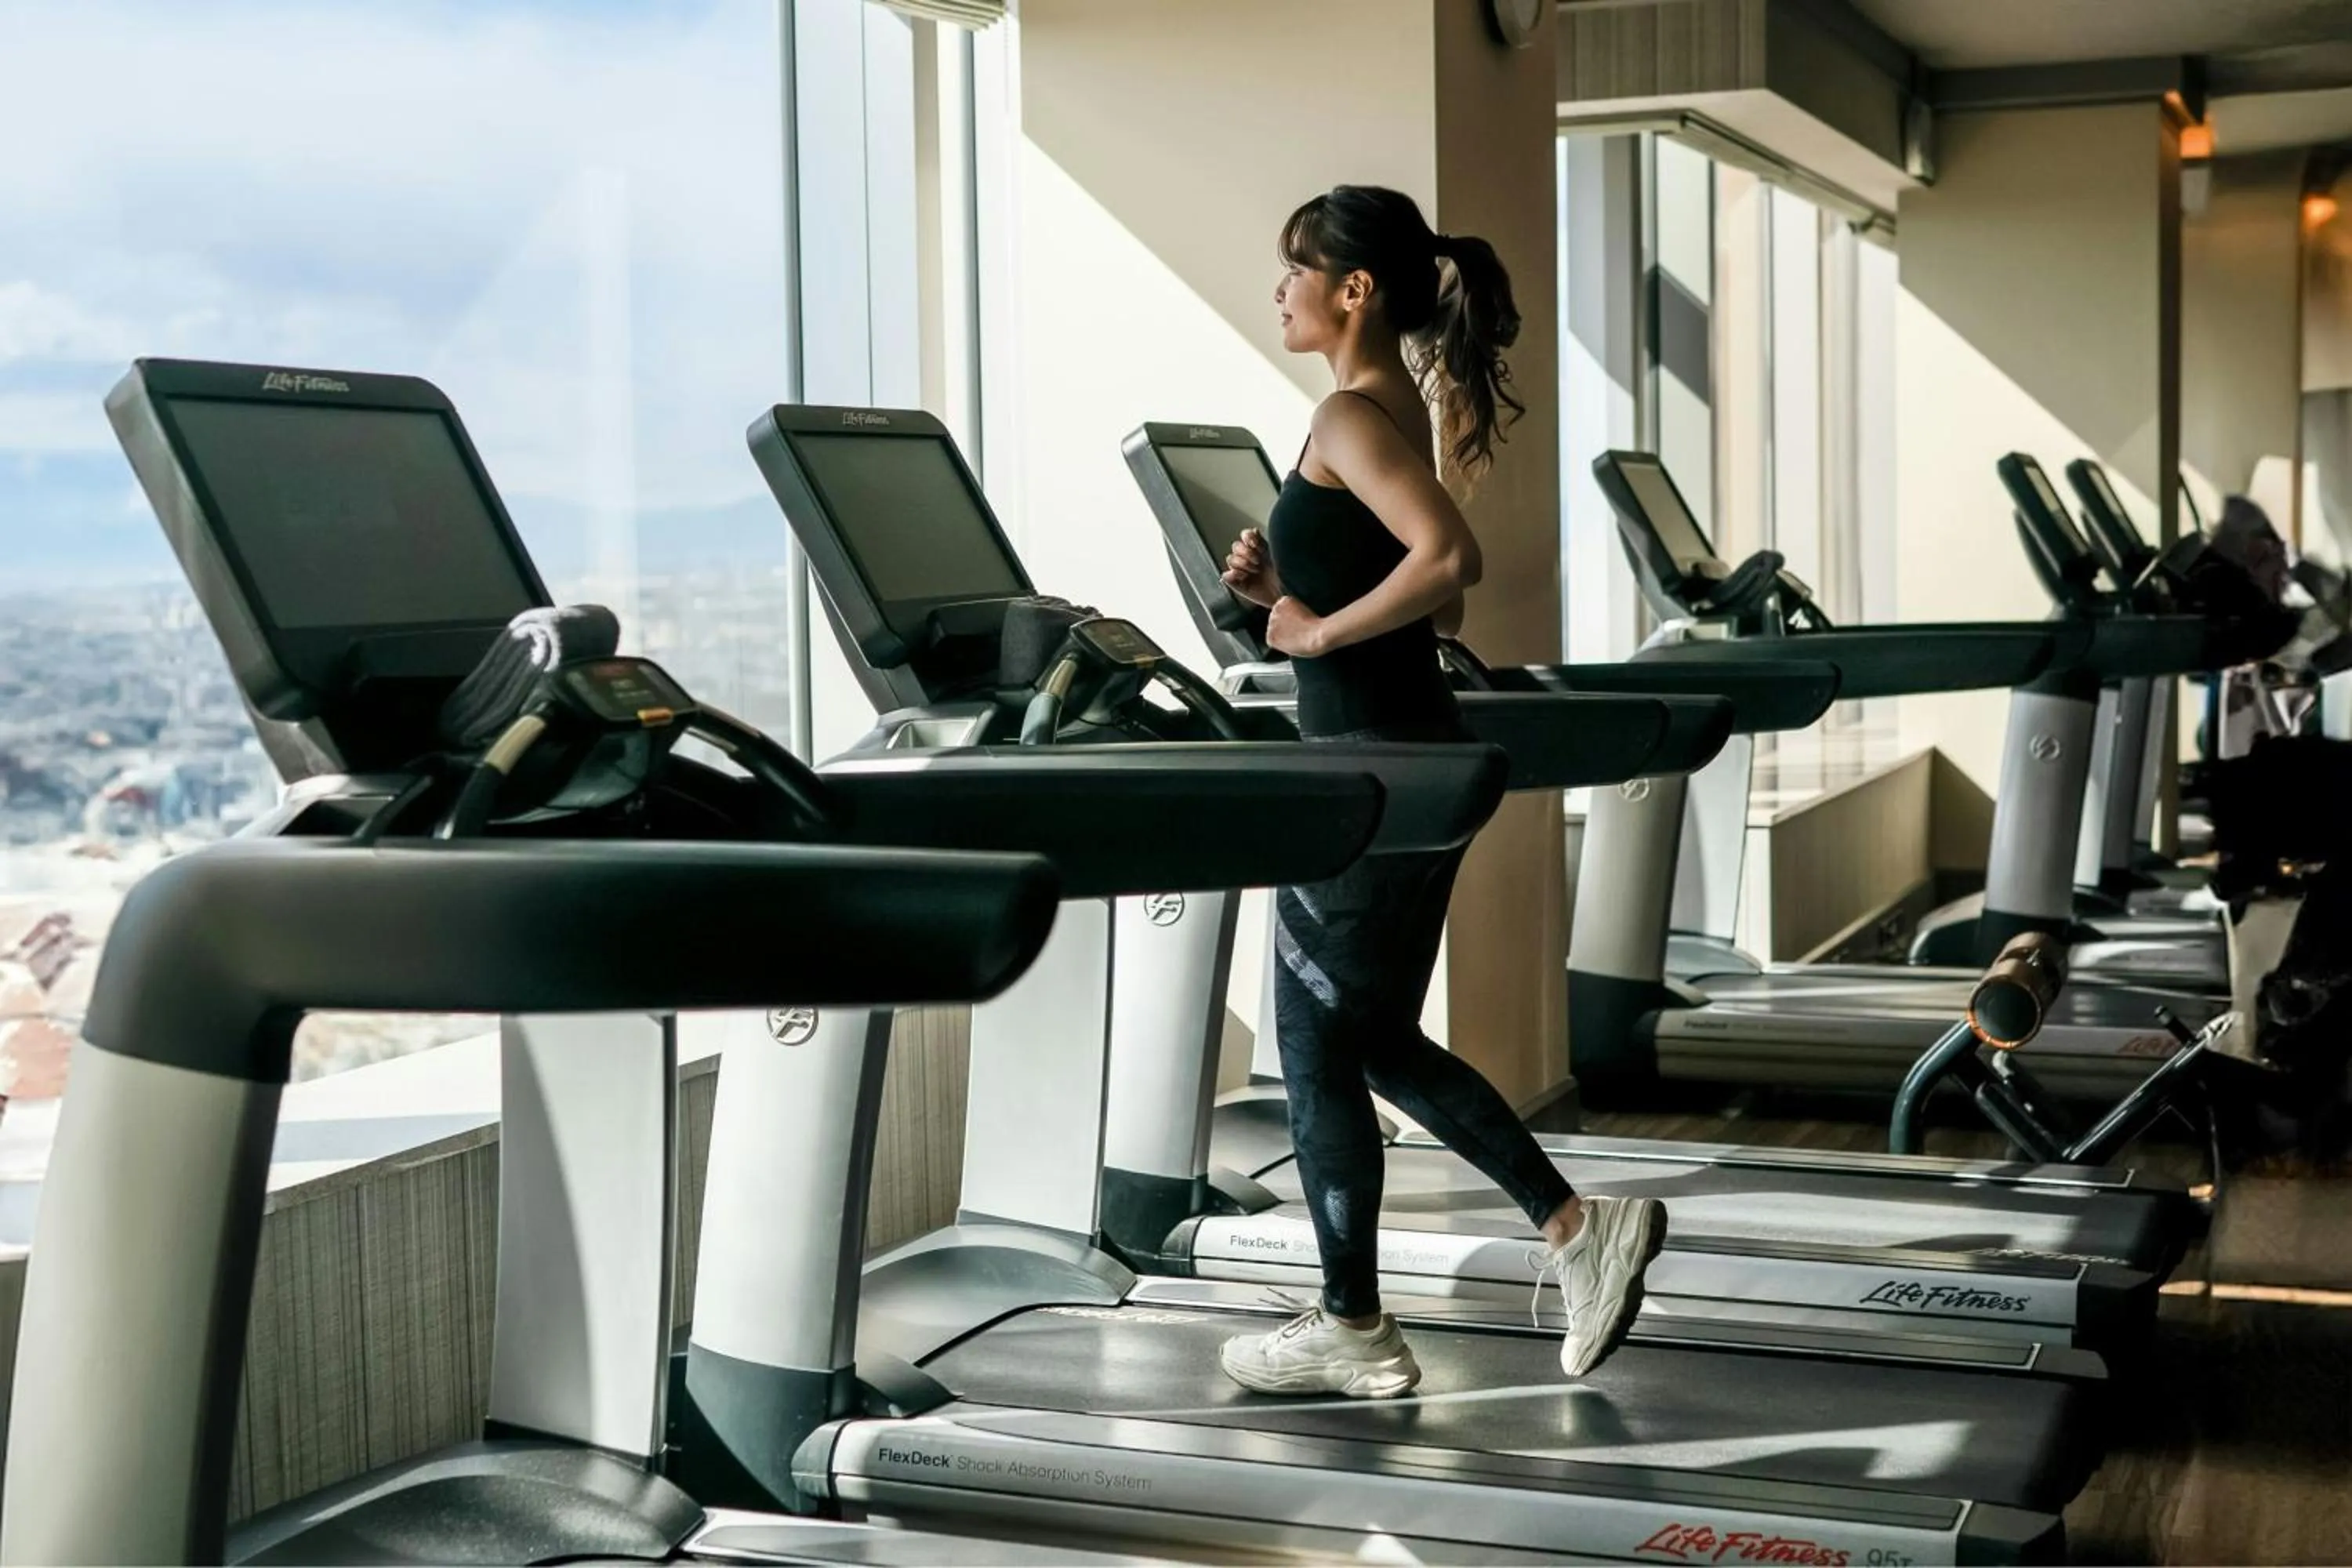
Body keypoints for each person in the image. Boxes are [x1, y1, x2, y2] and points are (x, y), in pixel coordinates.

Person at [1214, 185, 1666, 1399]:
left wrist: (1308, 640)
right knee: (1368, 1037)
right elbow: (1438, 601)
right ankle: (1574, 1232)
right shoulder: (1391, 408)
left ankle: (1357, 1322)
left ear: (1352, 290)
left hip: (1368, 771)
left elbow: (1453, 561)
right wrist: (1280, 600)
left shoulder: (1347, 414)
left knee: (1314, 1049)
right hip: (1403, 753)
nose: (1282, 292)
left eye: (1293, 269)